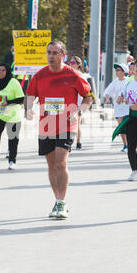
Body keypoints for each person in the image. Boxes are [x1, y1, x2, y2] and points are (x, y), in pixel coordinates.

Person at [26, 40, 93, 219]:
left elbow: (89, 97)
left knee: (60, 162)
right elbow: (30, 94)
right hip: (46, 125)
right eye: (49, 52)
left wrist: (79, 112)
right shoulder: (40, 75)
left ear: (63, 56)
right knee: (51, 165)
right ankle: (57, 200)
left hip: (67, 125)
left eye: (55, 53)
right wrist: (29, 108)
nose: (51, 56)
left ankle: (62, 202)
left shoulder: (73, 75)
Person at [0, 63, 24, 170]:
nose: (1, 72)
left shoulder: (14, 82)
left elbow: (21, 99)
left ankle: (12, 161)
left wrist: (8, 102)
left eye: (3, 70)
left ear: (7, 72)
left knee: (13, 138)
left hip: (13, 115)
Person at [104, 63, 130, 152]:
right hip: (118, 108)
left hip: (128, 108)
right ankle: (125, 145)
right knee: (121, 127)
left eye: (118, 70)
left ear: (124, 72)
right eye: (116, 70)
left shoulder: (128, 81)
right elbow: (108, 91)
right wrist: (107, 99)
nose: (116, 72)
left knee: (129, 127)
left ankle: (131, 144)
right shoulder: (115, 82)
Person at [68, 56, 89, 150]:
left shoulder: (81, 75)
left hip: (79, 103)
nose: (71, 64)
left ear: (78, 64)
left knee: (77, 122)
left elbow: (86, 92)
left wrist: (82, 106)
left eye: (73, 63)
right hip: (69, 103)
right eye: (70, 62)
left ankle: (78, 142)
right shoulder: (68, 75)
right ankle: (70, 141)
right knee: (70, 123)